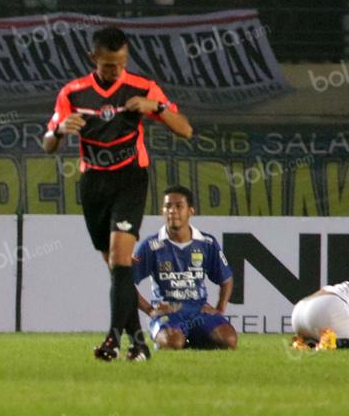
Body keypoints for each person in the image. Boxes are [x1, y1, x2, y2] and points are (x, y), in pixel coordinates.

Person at [42, 27, 193, 362]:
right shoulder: (73, 93)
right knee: (115, 267)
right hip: (94, 183)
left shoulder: (142, 87)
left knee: (121, 258)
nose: (115, 70)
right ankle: (138, 342)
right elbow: (48, 144)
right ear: (93, 58)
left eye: (121, 62)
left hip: (129, 178)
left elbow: (185, 129)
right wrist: (58, 130)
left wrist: (156, 106)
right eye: (109, 64)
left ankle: (112, 339)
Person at [132, 186, 237, 351]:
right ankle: (172, 337)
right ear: (162, 212)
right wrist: (150, 310)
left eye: (179, 206)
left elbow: (227, 279)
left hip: (199, 311)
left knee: (229, 339)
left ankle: (190, 339)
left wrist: (219, 308)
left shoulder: (206, 242)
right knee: (172, 342)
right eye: (168, 207)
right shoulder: (151, 245)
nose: (172, 211)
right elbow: (125, 281)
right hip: (168, 312)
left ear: (191, 211)